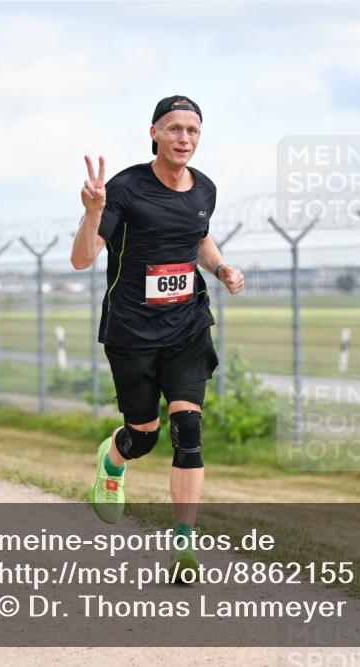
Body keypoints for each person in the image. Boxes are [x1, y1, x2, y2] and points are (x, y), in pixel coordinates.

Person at [70, 95, 244, 581]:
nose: (183, 138)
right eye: (173, 129)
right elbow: (82, 259)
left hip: (187, 325)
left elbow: (200, 237)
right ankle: (113, 458)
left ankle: (183, 546)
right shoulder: (124, 189)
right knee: (144, 438)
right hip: (132, 332)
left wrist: (222, 266)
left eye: (192, 130)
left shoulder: (205, 188)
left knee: (189, 431)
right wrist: (93, 212)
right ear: (154, 133)